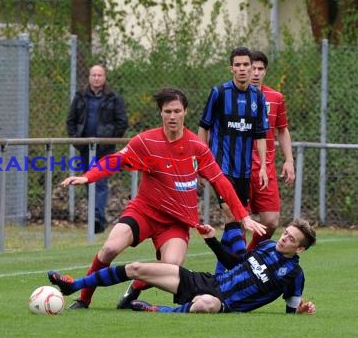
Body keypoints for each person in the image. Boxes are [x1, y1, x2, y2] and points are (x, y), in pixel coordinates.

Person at [61, 86, 266, 310]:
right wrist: (88, 177)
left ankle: (136, 286)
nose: (172, 116)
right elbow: (116, 160)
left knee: (171, 266)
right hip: (144, 212)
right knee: (110, 248)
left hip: (176, 221)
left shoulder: (197, 147)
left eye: (177, 111)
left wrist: (243, 216)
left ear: (185, 112)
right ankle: (83, 299)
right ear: (161, 113)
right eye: (168, 111)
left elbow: (221, 182)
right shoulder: (147, 141)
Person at [48, 218, 316, 315]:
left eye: (291, 239)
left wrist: (300, 309)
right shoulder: (267, 246)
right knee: (137, 268)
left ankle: (154, 309)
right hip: (207, 281)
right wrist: (211, 241)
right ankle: (74, 286)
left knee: (205, 305)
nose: (283, 239)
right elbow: (235, 263)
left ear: (300, 248)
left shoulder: (294, 274)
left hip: (222, 303)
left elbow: (291, 309)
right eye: (285, 233)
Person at [198, 46, 269, 274]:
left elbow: (260, 134)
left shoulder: (258, 97)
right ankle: (243, 266)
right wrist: (202, 161)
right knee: (230, 212)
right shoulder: (219, 93)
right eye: (237, 65)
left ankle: (222, 274)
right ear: (231, 68)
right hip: (221, 168)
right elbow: (204, 127)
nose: (242, 69)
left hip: (244, 171)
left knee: (237, 223)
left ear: (250, 68)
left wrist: (264, 168)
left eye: (245, 65)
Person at [66, 64, 128, 233]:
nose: (96, 78)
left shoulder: (113, 98)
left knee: (100, 181)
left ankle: (97, 217)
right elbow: (71, 120)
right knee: (87, 180)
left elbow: (122, 122)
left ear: (104, 77)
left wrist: (110, 140)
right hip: (85, 147)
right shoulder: (80, 97)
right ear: (89, 77)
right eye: (93, 75)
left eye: (99, 75)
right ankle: (96, 216)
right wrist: (76, 138)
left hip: (105, 149)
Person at [247, 50, 295, 251]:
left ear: (265, 71)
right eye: (253, 68)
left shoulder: (275, 97)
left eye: (261, 69)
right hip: (240, 167)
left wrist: (289, 160)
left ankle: (247, 255)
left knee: (271, 221)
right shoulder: (232, 97)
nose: (256, 73)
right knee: (239, 220)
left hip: (265, 168)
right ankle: (232, 267)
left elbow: (282, 130)